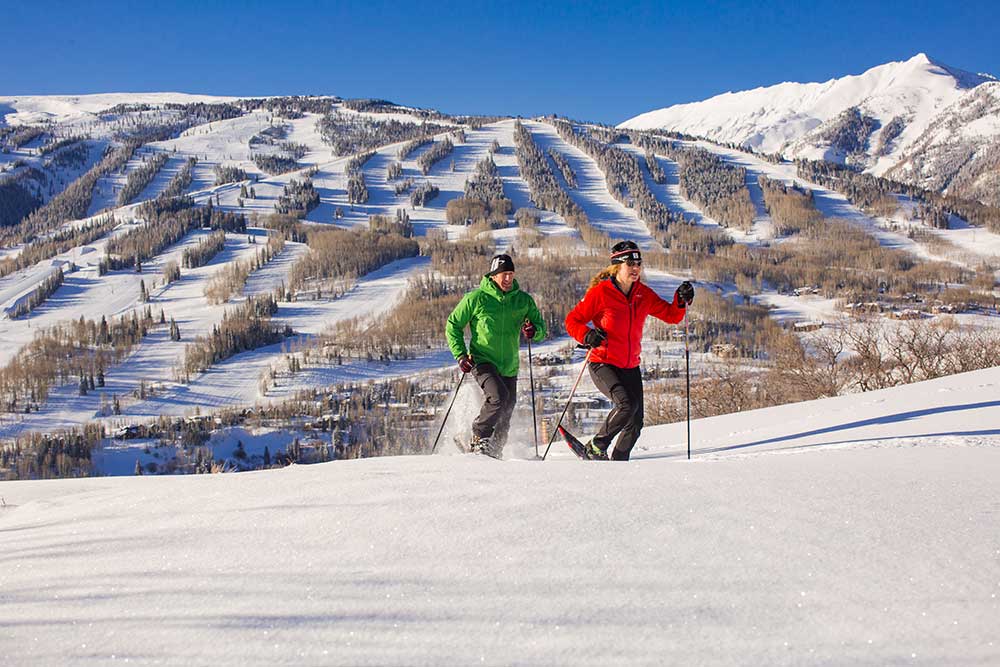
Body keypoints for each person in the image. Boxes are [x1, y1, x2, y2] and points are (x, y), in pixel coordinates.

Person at [565, 240, 694, 461]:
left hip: (630, 365)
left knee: (635, 423)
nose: (635, 269)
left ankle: (618, 465)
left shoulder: (642, 294)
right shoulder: (601, 293)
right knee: (627, 405)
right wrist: (587, 335)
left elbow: (671, 315)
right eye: (630, 264)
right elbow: (572, 320)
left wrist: (680, 300)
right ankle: (596, 447)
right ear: (617, 267)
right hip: (603, 362)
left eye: (638, 264)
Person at [446, 253, 547, 458]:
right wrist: (460, 355)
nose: (508, 278)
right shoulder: (476, 299)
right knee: (498, 397)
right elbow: (453, 325)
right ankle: (478, 437)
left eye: (511, 274)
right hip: (482, 360)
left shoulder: (522, 300)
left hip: (509, 364)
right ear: (493, 276)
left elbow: (540, 328)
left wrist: (533, 331)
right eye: (503, 274)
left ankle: (495, 452)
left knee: (507, 409)